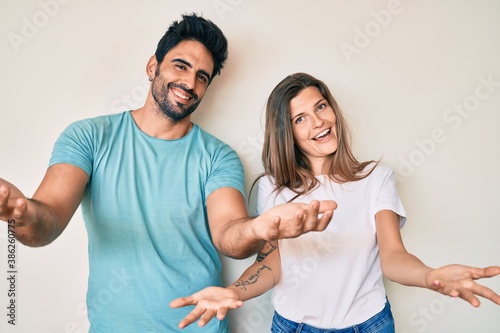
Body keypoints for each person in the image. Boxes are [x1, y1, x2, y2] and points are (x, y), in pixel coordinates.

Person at [0, 17, 337, 332]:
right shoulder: (89, 137)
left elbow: (228, 235)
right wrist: (23, 213)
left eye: (202, 77)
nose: (190, 82)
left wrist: (257, 228)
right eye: (181, 66)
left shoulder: (218, 157)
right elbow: (49, 219)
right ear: (153, 66)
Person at [170, 72, 500, 332]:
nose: (318, 122)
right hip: (294, 327)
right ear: (288, 133)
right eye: (300, 119)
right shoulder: (274, 188)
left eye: (320, 107)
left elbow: (393, 257)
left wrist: (431, 277)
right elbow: (272, 263)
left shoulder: (376, 177)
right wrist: (235, 292)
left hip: (369, 325)